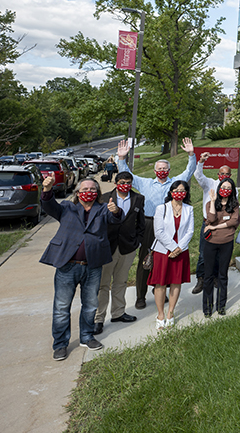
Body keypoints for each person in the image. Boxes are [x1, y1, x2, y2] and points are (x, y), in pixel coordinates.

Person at [40, 176, 119, 361]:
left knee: (91, 305)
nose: (88, 192)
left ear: (98, 193)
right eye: (85, 189)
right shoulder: (67, 208)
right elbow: (49, 206)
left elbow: (114, 219)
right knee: (61, 307)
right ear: (77, 192)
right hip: (67, 266)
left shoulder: (102, 209)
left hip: (92, 266)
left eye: (93, 189)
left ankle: (86, 336)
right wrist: (46, 190)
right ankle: (60, 344)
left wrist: (115, 211)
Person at [115, 137, 197, 309]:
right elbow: (127, 176)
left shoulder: (174, 184)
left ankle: (159, 290)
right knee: (146, 259)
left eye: (165, 169)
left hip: (168, 226)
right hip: (148, 224)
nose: (162, 171)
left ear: (169, 170)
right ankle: (140, 295)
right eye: (159, 169)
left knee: (165, 259)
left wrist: (191, 154)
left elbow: (189, 171)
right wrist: (121, 159)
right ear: (154, 170)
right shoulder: (145, 183)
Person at [93, 172, 145, 335]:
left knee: (121, 282)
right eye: (122, 182)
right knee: (103, 284)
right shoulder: (104, 198)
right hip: (107, 246)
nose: (126, 185)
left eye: (129, 182)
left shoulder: (138, 198)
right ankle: (98, 318)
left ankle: (118, 313)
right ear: (116, 183)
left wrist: (138, 241)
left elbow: (140, 223)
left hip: (127, 247)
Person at [148, 180, 194, 329]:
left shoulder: (189, 209)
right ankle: (160, 314)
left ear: (186, 193)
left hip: (181, 251)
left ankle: (170, 312)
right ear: (170, 192)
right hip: (163, 251)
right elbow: (159, 231)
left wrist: (179, 249)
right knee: (160, 283)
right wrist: (173, 247)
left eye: (182, 190)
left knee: (176, 282)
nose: (179, 193)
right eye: (176, 190)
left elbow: (190, 231)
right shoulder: (162, 208)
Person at [192, 154, 233, 295]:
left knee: (218, 254)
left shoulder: (232, 188)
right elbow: (198, 175)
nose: (224, 176)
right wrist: (201, 162)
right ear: (218, 174)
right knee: (204, 254)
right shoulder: (210, 184)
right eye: (222, 174)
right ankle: (201, 279)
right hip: (208, 225)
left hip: (222, 226)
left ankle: (215, 277)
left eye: (227, 174)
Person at [201, 178, 240, 317]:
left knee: (222, 275)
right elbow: (210, 219)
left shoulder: (234, 205)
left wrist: (215, 227)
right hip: (211, 243)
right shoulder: (210, 204)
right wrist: (212, 201)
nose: (226, 190)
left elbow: (234, 221)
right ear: (219, 188)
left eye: (229, 188)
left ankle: (221, 306)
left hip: (226, 243)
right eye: (223, 187)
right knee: (208, 275)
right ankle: (207, 307)